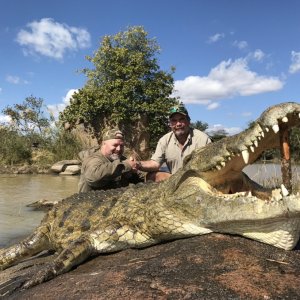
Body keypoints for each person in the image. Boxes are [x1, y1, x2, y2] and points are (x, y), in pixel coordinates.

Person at [135, 103, 211, 182]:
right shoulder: (164, 140)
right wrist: (137, 164)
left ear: (188, 121)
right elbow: (155, 163)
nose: (178, 124)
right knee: (151, 176)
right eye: (174, 121)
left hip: (198, 181)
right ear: (170, 124)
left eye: (182, 119)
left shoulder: (203, 139)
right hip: (175, 182)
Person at [78, 128, 143, 192]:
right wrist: (126, 165)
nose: (118, 149)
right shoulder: (93, 159)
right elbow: (93, 177)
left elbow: (140, 180)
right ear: (103, 144)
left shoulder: (122, 160)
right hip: (89, 201)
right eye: (115, 145)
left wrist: (136, 166)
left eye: (121, 145)